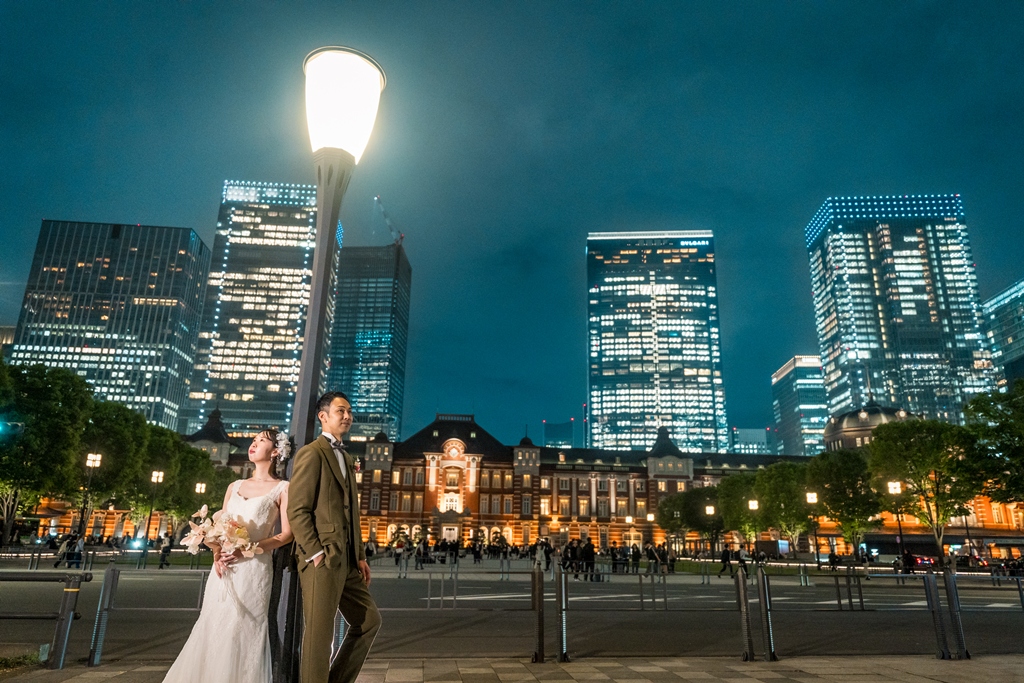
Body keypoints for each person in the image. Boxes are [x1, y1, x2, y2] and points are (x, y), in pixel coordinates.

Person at [163, 428, 293, 683]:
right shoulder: (234, 486)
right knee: (213, 624)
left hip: (254, 568)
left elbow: (286, 534)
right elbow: (220, 525)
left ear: (275, 452)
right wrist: (216, 552)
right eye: (253, 440)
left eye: (261, 441)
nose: (253, 444)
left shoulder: (282, 488)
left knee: (244, 628)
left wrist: (249, 547)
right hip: (225, 569)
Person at [288, 391, 381, 683]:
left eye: (349, 411)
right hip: (323, 558)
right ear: (323, 416)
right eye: (341, 410)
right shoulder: (312, 453)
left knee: (369, 621)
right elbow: (298, 509)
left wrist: (360, 556)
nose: (348, 416)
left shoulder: (347, 457)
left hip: (348, 560)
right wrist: (315, 553)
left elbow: (352, 512)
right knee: (320, 635)